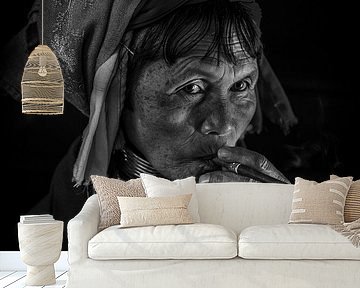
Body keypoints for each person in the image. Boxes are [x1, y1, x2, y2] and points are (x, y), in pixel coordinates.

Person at [0, 0, 298, 249]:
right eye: (192, 88)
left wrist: (291, 229)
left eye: (241, 85)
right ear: (119, 92)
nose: (224, 124)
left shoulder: (275, 202)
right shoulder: (52, 238)